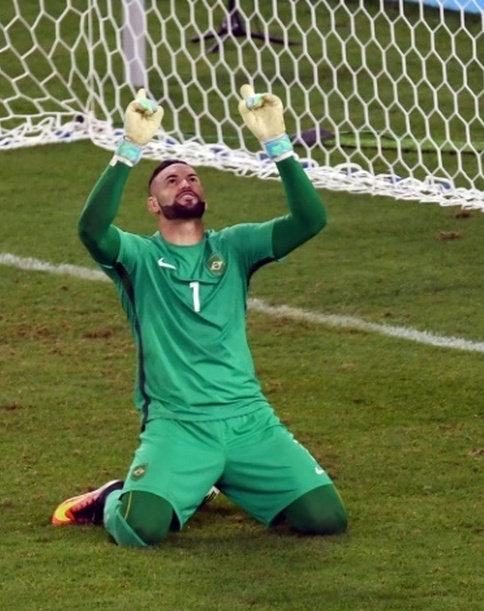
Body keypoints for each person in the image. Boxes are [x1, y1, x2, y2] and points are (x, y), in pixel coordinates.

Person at [50, 84, 347, 546]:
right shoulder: (138, 258)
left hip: (249, 420)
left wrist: (278, 143)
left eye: (192, 177)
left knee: (326, 517)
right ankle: (113, 496)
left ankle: (207, 481)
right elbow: (91, 229)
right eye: (171, 180)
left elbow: (311, 221)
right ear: (153, 205)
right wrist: (128, 149)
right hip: (178, 423)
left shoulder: (235, 247)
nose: (185, 182)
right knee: (137, 530)